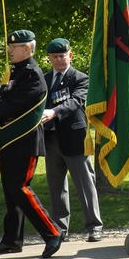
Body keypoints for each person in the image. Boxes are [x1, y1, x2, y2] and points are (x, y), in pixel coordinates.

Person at [0, 29, 63, 258]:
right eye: (10, 46)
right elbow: (4, 103)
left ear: (27, 49)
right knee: (11, 193)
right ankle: (12, 240)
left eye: (14, 46)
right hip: (9, 140)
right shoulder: (15, 73)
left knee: (21, 189)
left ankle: (52, 233)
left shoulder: (33, 76)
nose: (9, 49)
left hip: (24, 140)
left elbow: (9, 108)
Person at [41, 38, 103, 242]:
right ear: (49, 58)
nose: (59, 60)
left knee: (85, 184)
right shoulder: (44, 78)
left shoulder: (81, 78)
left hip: (75, 138)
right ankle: (60, 228)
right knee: (56, 186)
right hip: (50, 139)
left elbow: (75, 102)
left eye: (62, 56)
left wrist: (54, 112)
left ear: (70, 55)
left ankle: (94, 226)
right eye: (55, 56)